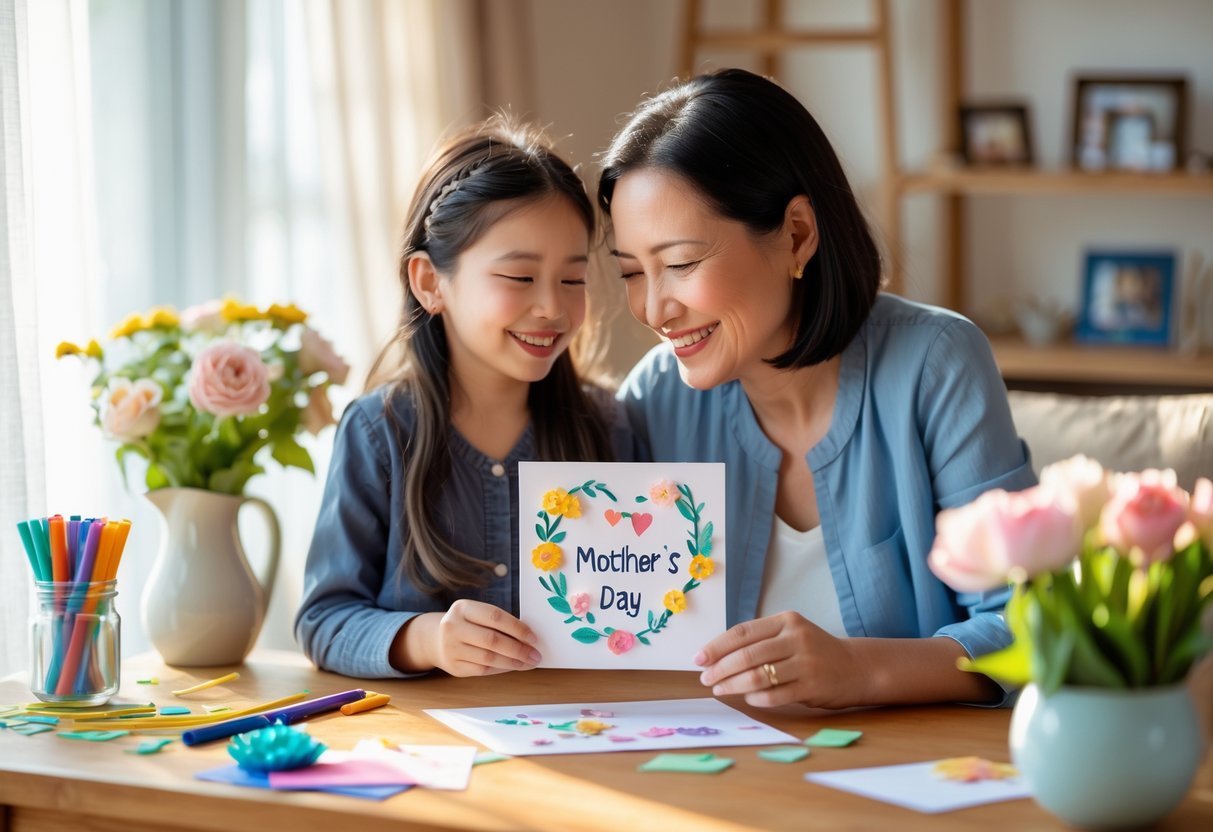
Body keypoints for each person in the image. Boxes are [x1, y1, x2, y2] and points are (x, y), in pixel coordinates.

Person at [599, 68, 1036, 709]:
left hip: (912, 786)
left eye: (681, 263)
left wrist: (863, 671)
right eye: (633, 273)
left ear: (797, 235)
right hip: (721, 788)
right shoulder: (655, 400)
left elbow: (1033, 623)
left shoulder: (936, 364)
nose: (655, 309)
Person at [296, 116, 641, 679]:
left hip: (580, 733)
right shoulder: (378, 431)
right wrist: (425, 640)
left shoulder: (610, 426)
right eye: (520, 277)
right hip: (434, 749)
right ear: (431, 283)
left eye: (573, 280)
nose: (553, 307)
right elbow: (323, 619)